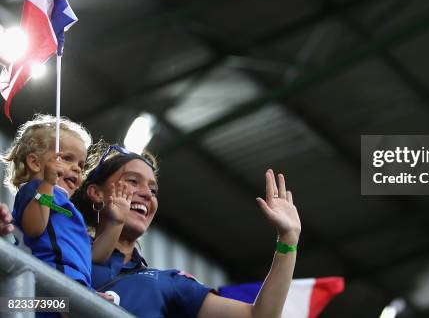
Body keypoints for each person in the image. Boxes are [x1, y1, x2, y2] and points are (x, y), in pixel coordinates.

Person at [72, 144, 301, 318]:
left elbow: (259, 315)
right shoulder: (64, 250)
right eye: (132, 181)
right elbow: (35, 302)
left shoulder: (168, 282)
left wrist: (288, 239)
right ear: (96, 192)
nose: (146, 194)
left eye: (153, 190)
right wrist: (72, 302)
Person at [2, 115, 133, 288]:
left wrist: (116, 222)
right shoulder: (35, 190)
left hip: (75, 287)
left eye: (81, 164)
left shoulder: (68, 211)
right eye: (67, 158)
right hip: (49, 285)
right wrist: (48, 183)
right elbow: (34, 228)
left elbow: (93, 256)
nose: (77, 168)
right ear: (34, 163)